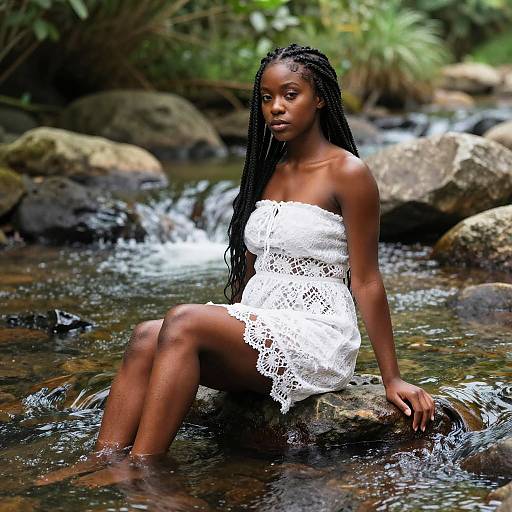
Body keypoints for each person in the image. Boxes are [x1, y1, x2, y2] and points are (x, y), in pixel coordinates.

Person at [38, 43, 435, 484]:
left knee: (184, 320)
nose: (275, 108)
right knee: (146, 336)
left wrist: (392, 378)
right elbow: (252, 268)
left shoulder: (348, 173)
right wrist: (232, 321)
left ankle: (146, 471)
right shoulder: (266, 170)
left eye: (290, 95)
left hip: (316, 331)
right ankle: (105, 458)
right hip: (261, 320)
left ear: (320, 97)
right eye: (266, 98)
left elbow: (367, 280)